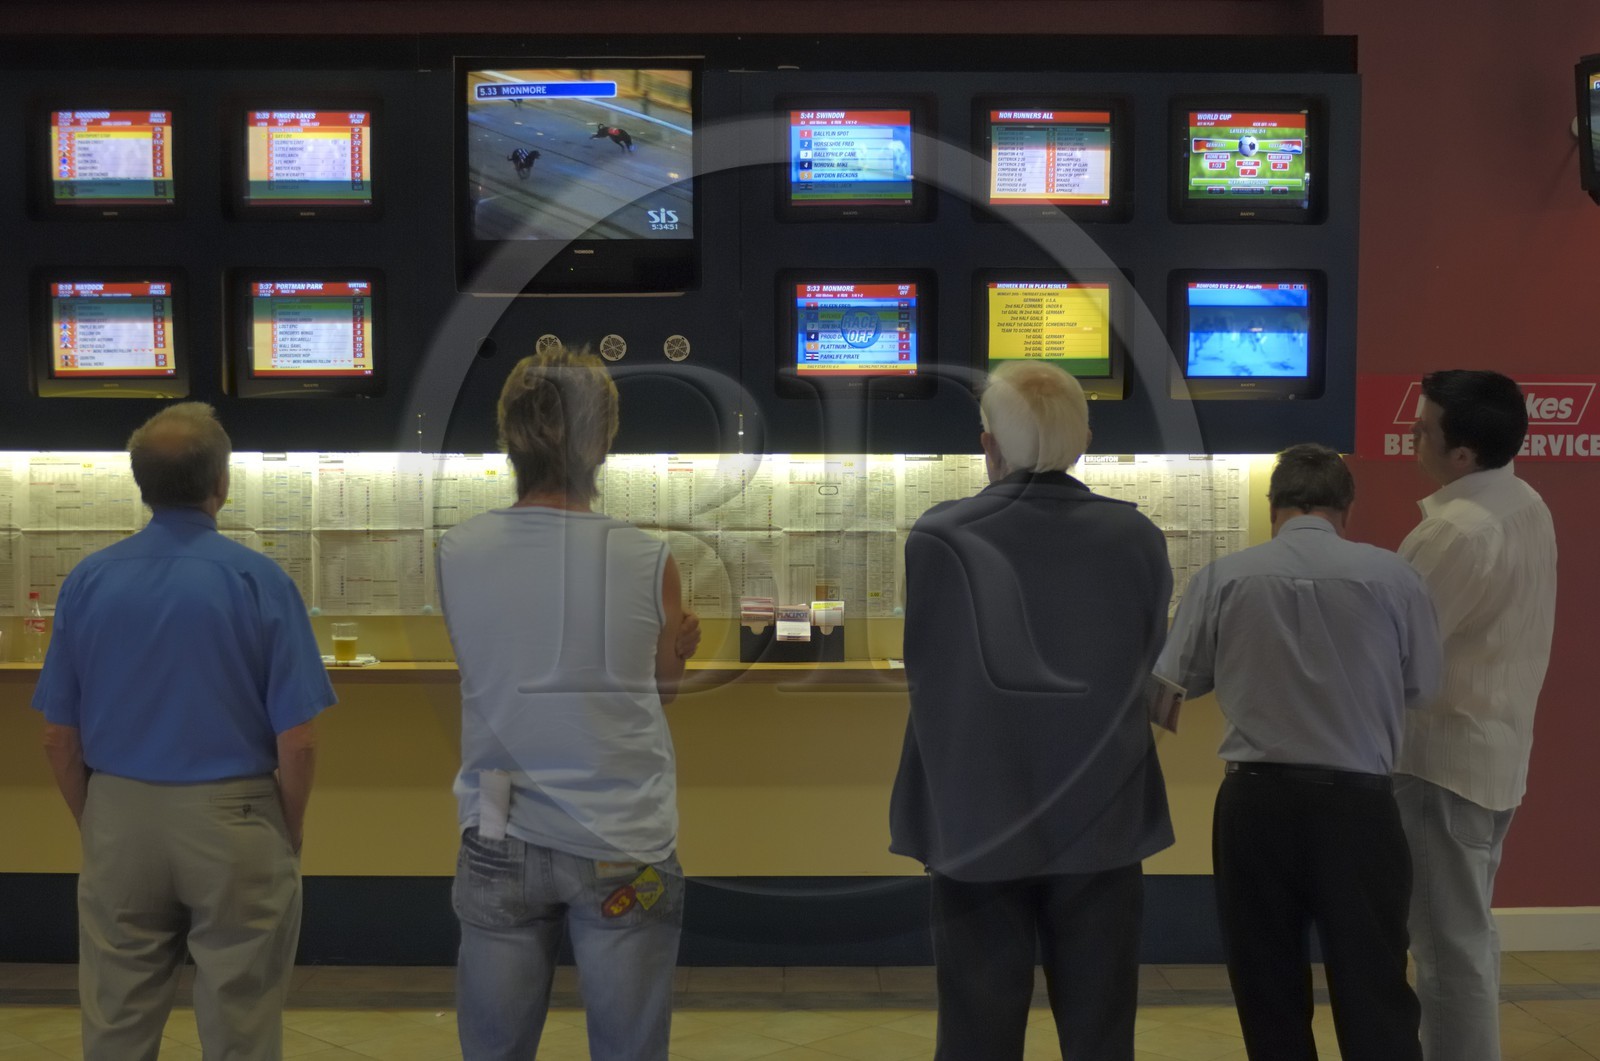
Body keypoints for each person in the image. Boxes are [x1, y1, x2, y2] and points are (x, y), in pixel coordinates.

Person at [889, 361, 1174, 1061]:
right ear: (1085, 439)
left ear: (989, 443)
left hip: (976, 817)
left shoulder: (939, 536)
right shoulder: (1136, 537)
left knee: (976, 1031)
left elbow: (925, 668)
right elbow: (1148, 659)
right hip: (1102, 817)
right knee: (1100, 1028)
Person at [32, 402, 333, 1061]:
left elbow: (58, 736)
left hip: (118, 813)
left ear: (141, 484)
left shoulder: (87, 581)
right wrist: (289, 823)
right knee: (242, 1022)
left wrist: (100, 817)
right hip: (237, 817)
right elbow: (300, 738)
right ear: (220, 484)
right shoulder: (259, 580)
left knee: (115, 1018)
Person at [438, 347, 701, 1061]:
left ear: (509, 437)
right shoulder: (651, 560)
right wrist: (677, 650)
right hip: (622, 831)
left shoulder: (457, 550)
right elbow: (658, 695)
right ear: (603, 440)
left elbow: (495, 671)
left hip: (499, 821)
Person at [1155, 443, 1441, 1061]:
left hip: (1255, 803)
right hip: (1360, 806)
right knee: (1375, 982)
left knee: (1267, 982)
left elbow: (1174, 685)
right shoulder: (1394, 576)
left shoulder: (1224, 576)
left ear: (1271, 506)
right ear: (1348, 508)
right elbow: (1421, 686)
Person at [1397, 370, 1558, 1061]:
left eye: (1425, 426)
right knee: (1468, 936)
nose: (1413, 434)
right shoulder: (1525, 501)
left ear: (1462, 453)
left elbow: (1398, 650)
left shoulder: (1456, 534)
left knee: (1446, 951)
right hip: (1492, 757)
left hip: (1442, 763)